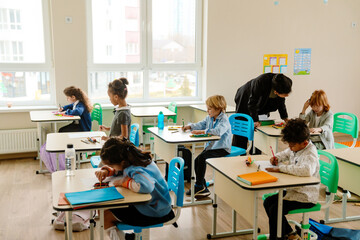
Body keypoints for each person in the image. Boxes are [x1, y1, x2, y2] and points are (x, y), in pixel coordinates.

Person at [95, 138, 174, 240]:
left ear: (122, 162)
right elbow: (121, 170)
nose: (110, 167)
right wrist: (108, 171)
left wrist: (124, 183)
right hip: (159, 206)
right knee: (104, 209)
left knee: (105, 215)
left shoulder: (135, 168)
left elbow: (146, 186)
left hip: (156, 211)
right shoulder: (134, 159)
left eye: (110, 165)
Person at [263, 118, 320, 240]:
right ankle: (289, 234)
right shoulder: (296, 146)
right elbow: (285, 153)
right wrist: (276, 158)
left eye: (292, 145)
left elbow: (306, 170)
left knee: (275, 209)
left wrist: (282, 168)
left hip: (306, 195)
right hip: (294, 190)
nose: (290, 147)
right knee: (268, 202)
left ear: (304, 143)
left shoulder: (310, 153)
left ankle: (277, 237)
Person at [182, 95, 232, 197]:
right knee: (197, 160)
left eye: (209, 109)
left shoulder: (224, 120)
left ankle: (199, 186)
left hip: (222, 148)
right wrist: (190, 126)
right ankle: (201, 186)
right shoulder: (210, 117)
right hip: (211, 147)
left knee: (201, 159)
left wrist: (201, 132)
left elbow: (218, 132)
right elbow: (201, 124)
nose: (207, 111)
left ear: (218, 108)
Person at [233, 73, 292, 151]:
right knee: (242, 124)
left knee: (258, 129)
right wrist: (255, 120)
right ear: (275, 92)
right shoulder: (261, 82)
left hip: (261, 102)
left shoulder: (285, 83)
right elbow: (252, 103)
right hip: (245, 96)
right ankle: (239, 152)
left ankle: (255, 153)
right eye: (285, 94)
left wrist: (285, 118)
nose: (287, 95)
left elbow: (281, 102)